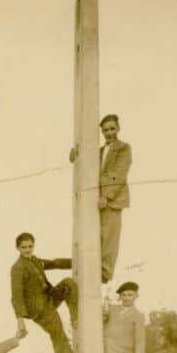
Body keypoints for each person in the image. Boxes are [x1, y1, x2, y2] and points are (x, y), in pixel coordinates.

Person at [70, 114, 132, 283]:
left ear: (118, 128)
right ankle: (90, 268)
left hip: (112, 201)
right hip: (96, 200)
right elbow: (87, 166)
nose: (109, 133)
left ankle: (104, 273)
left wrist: (107, 195)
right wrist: (75, 155)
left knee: (109, 237)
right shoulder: (98, 151)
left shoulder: (124, 148)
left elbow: (119, 174)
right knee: (93, 235)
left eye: (112, 129)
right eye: (105, 130)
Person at [10, 232, 79, 353]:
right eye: (24, 247)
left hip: (49, 298)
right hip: (39, 310)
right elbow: (16, 296)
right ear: (17, 248)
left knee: (69, 283)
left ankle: (75, 317)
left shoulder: (35, 260)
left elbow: (54, 263)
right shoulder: (17, 268)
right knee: (58, 334)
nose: (27, 250)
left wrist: (76, 261)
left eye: (30, 246)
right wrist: (20, 321)